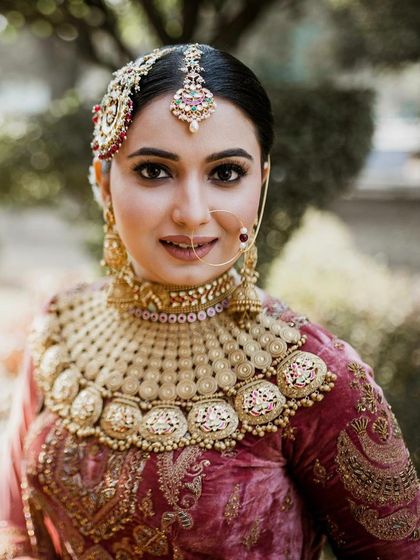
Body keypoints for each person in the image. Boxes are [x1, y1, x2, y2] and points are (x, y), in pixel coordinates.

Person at [0, 43, 419, 560]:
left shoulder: (316, 375)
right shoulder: (61, 329)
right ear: (103, 180)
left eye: (225, 173)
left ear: (260, 184)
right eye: (155, 170)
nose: (193, 213)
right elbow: (14, 527)